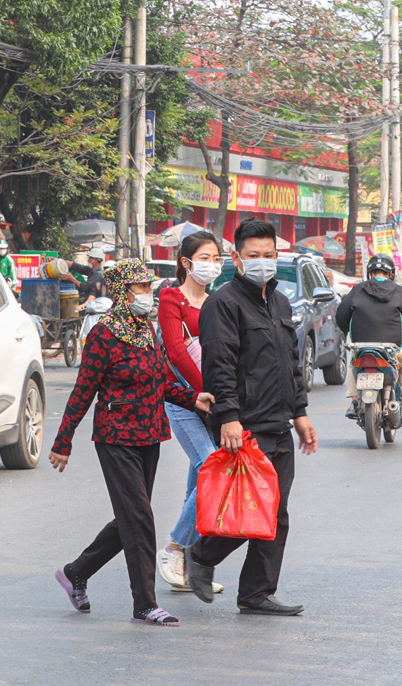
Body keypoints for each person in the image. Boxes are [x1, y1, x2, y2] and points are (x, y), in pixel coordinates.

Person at [50, 261, 213, 627]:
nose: (146, 295)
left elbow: (160, 382)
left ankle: (76, 572)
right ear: (121, 292)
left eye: (147, 287)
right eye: (139, 288)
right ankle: (145, 604)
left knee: (131, 518)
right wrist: (63, 441)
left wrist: (194, 398)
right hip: (115, 436)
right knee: (140, 518)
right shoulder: (104, 335)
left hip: (149, 434)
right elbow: (83, 391)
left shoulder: (145, 328)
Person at [185, 218, 318, 617]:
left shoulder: (278, 302)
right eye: (253, 256)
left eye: (269, 255)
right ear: (237, 258)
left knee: (276, 512)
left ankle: (256, 593)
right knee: (255, 509)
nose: (262, 262)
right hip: (245, 424)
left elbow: (289, 363)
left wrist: (300, 413)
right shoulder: (222, 304)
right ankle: (202, 555)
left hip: (279, 421)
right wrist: (228, 417)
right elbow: (219, 365)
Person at [155, 231, 228, 595]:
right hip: (184, 399)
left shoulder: (215, 302)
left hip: (213, 400)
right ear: (186, 262)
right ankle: (172, 548)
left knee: (196, 483)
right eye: (205, 257)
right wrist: (203, 391)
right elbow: (175, 352)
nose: (212, 264)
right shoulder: (171, 298)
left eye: (217, 258)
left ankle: (184, 560)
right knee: (211, 466)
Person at [334, 253, 402, 416]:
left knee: (353, 364)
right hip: (392, 350)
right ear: (390, 274)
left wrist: (344, 328)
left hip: (361, 348)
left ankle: (354, 401)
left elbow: (341, 316)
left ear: (370, 273)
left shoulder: (357, 290)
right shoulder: (399, 292)